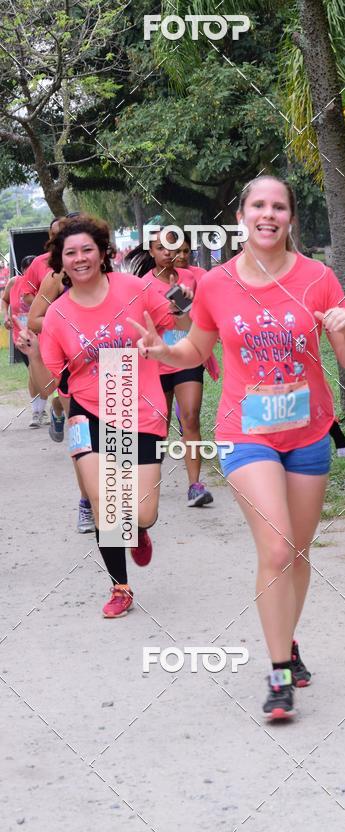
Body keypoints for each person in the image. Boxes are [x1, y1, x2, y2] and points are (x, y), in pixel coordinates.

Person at [131, 175, 345, 720]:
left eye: (278, 206)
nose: (268, 214)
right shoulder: (216, 284)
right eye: (258, 205)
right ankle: (278, 673)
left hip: (308, 433)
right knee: (278, 550)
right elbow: (195, 345)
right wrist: (160, 351)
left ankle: (287, 639)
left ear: (290, 218)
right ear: (242, 217)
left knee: (300, 554)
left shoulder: (318, 278)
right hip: (245, 432)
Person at [16, 215, 178, 617]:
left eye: (87, 249)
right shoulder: (56, 315)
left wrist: (163, 341)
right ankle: (120, 586)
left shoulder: (136, 288)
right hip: (87, 411)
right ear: (61, 261)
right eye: (70, 252)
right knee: (106, 501)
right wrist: (34, 352)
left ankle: (138, 530)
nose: (80, 258)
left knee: (141, 511)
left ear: (103, 252)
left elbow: (172, 324)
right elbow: (49, 386)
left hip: (139, 407)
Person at [126, 230, 215, 508]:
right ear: (151, 252)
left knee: (190, 417)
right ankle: (150, 481)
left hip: (188, 357)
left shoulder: (193, 278)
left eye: (173, 247)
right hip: (156, 364)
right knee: (159, 427)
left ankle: (195, 485)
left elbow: (201, 321)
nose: (169, 252)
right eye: (161, 247)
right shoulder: (140, 285)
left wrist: (185, 310)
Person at [27, 222, 94, 534]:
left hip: (111, 367)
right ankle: (87, 503)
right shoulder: (55, 278)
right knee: (83, 440)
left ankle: (120, 503)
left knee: (118, 441)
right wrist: (68, 324)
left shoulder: (116, 282)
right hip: (71, 368)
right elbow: (34, 318)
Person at [1, 256, 45, 426]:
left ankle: (48, 410)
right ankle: (37, 412)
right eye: (27, 271)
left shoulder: (45, 284)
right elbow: (5, 300)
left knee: (45, 371)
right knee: (33, 371)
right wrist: (6, 315)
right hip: (22, 336)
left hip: (43, 334)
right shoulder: (13, 283)